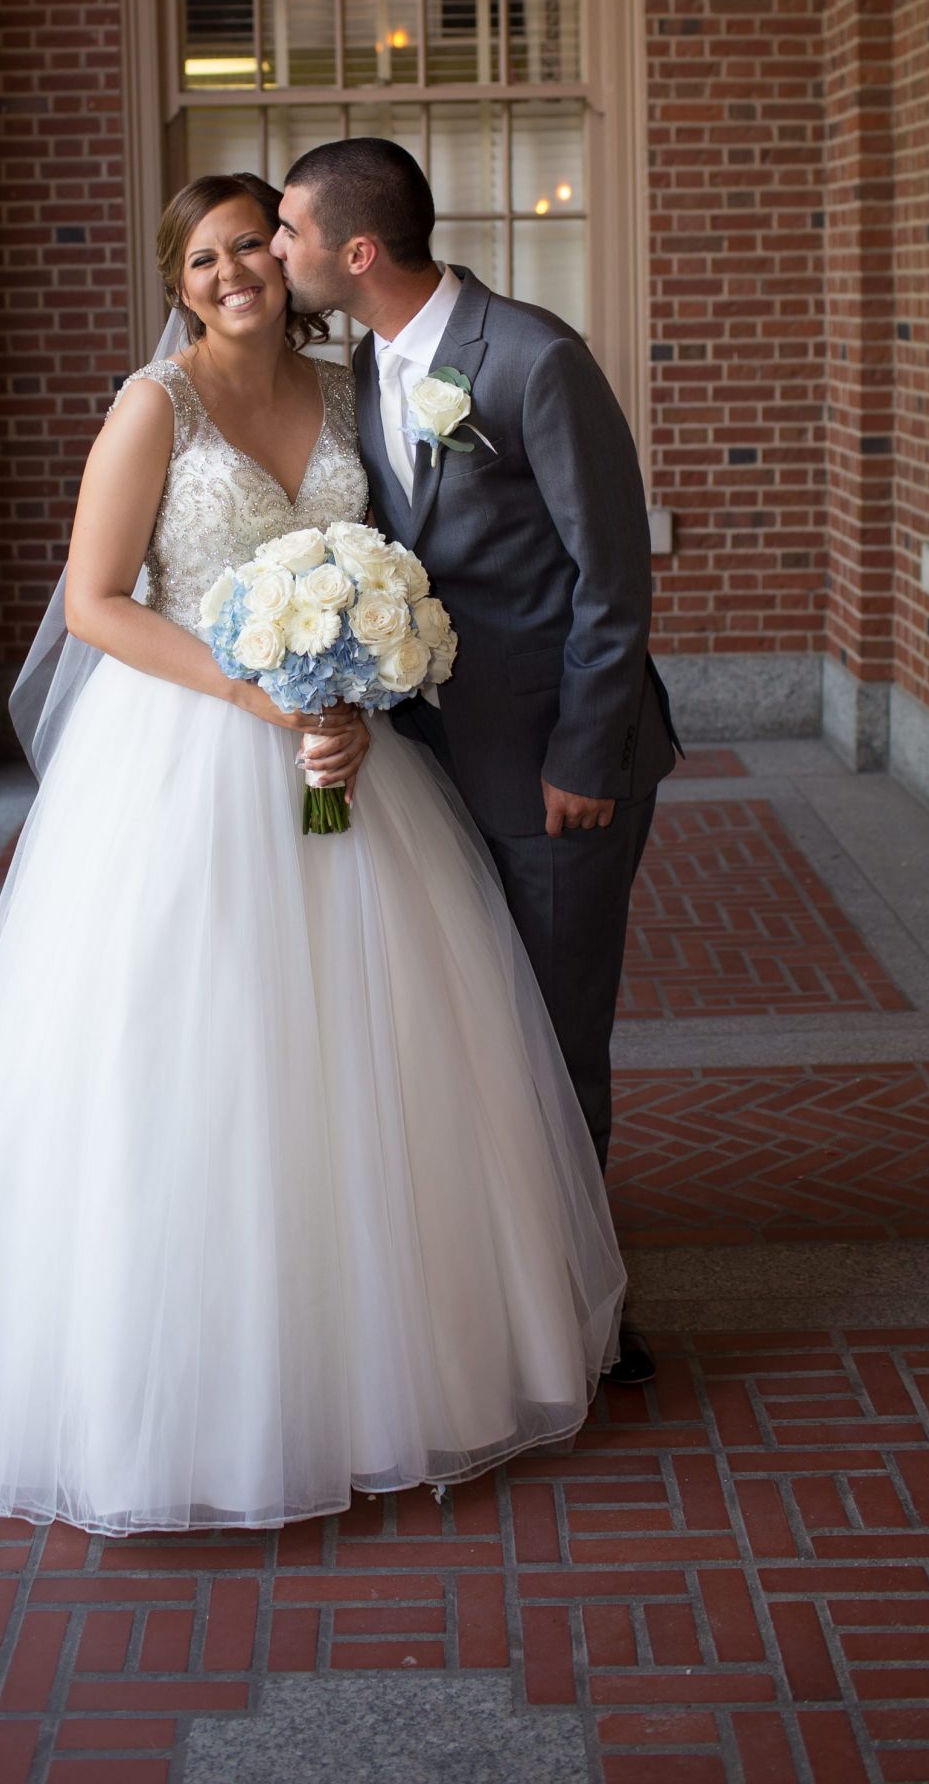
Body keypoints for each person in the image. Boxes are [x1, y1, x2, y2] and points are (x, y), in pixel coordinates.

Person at [0, 171, 626, 1535]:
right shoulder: (155, 408)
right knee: (189, 1039)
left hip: (340, 756)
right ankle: (175, 1377)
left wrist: (354, 698)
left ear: (295, 254)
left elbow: (385, 560)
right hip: (182, 754)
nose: (233, 273)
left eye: (253, 245)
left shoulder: (355, 390)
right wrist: (261, 698)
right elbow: (92, 604)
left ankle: (381, 1352)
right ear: (174, 281)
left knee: (366, 1049)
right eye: (201, 260)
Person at [274, 139, 679, 1387]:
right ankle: (501, 1289)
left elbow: (614, 580)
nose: (274, 253)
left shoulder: (533, 358)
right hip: (434, 768)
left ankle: (586, 1317)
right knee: (477, 1038)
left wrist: (583, 753)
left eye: (287, 232)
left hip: (557, 768)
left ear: (357, 252)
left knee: (558, 1045)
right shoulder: (360, 364)